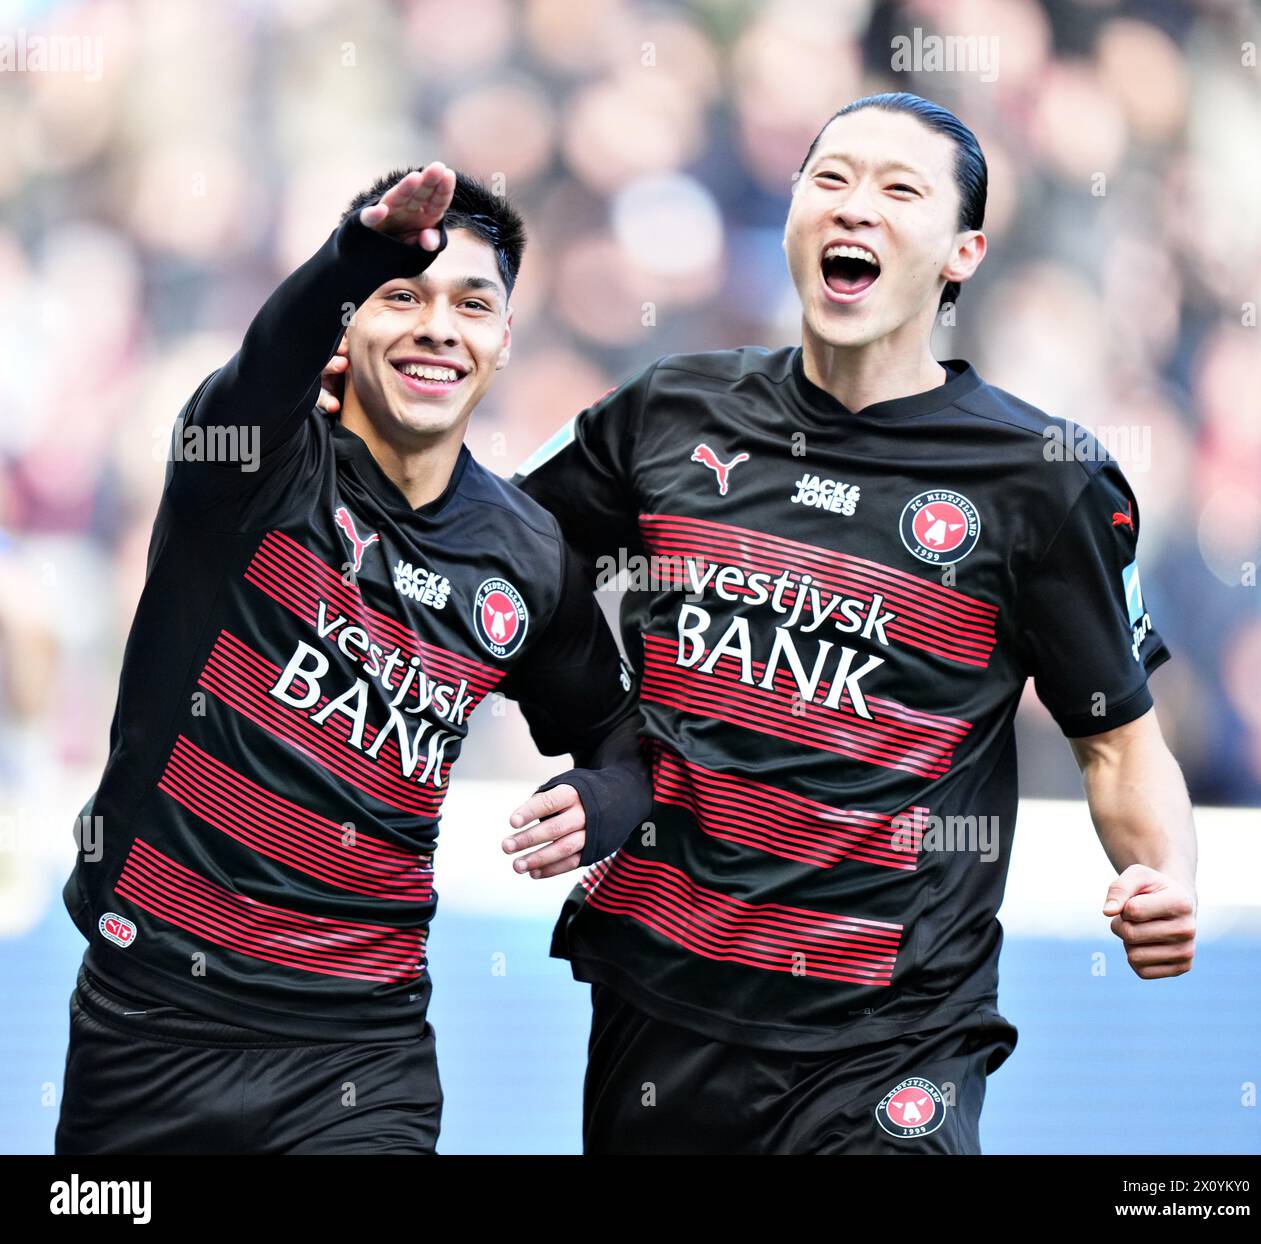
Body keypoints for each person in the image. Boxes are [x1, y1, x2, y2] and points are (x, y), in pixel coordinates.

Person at [503, 92, 1198, 1154]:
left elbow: (1114, 740)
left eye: (897, 189)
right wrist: (610, 749)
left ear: (961, 251)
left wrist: (1163, 879)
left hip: (892, 1036)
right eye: (828, 179)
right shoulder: (668, 411)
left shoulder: (1038, 479)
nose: (854, 208)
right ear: (790, 211)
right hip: (664, 1008)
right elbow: (493, 567)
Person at [55, 162, 651, 1155]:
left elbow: (620, 736)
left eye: (471, 303)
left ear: (503, 340)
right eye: (401, 294)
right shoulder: (249, 462)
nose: (436, 325)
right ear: (347, 320)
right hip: (149, 1030)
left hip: (359, 1059)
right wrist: (357, 249)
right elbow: (266, 359)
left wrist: (608, 801)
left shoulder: (529, 558)